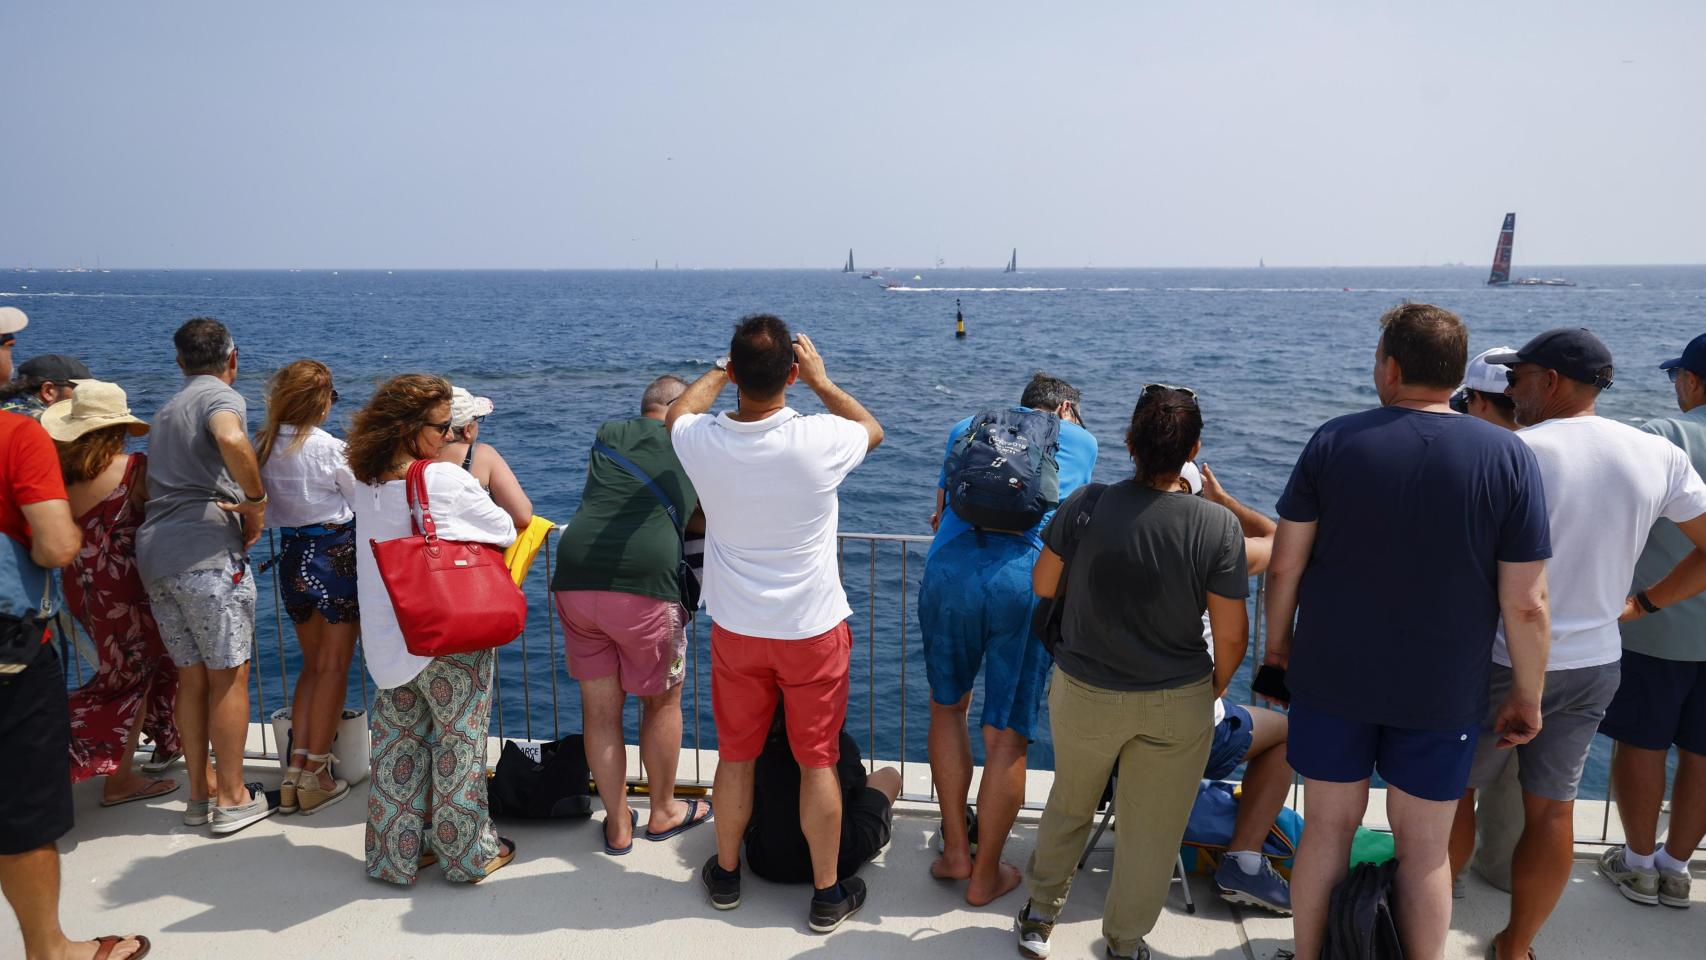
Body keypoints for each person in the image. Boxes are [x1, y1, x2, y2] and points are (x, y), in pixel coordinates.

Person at [1266, 304, 1552, 960]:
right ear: (1455, 374)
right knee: (1424, 851)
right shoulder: (1507, 457)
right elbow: (1528, 604)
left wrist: (1278, 650)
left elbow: (1284, 565)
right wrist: (1527, 695)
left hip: (1332, 677)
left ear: (1391, 367)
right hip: (1441, 689)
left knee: (1327, 833)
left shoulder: (1333, 441)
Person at [1451, 329, 1706, 957]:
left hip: (1500, 660)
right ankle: (1517, 946)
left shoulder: (1510, 453)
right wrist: (1642, 604)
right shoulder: (1654, 453)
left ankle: (1429, 921)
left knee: (1451, 794)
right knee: (1554, 812)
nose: (1512, 390)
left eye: (1519, 377)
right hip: (1595, 662)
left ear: (1552, 381)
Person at [667, 315, 883, 934]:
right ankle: (825, 893)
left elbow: (678, 411)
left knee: (736, 757)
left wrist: (718, 370)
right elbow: (873, 429)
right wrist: (821, 380)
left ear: (733, 372)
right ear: (791, 371)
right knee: (817, 761)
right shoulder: (819, 439)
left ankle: (728, 874)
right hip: (811, 629)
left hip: (737, 628)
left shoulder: (704, 442)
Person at [1018, 384, 1249, 960]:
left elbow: (1044, 585)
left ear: (1129, 444)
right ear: (1193, 450)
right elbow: (1232, 635)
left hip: (1086, 691)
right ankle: (1124, 942)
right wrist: (1214, 686)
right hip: (1178, 699)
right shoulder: (1216, 529)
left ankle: (1040, 917)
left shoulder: (1087, 505)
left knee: (1070, 802)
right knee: (1152, 829)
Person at [0, 306, 150, 960]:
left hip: (73, 607)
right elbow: (59, 544)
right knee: (23, 807)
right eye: (5, 342)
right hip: (14, 642)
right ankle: (50, 949)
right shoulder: (17, 437)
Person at [919, 372, 1098, 906]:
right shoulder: (1080, 441)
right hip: (1024, 580)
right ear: (1066, 409)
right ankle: (985, 875)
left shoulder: (966, 427)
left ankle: (955, 853)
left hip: (949, 572)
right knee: (1006, 737)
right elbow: (1077, 521)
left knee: (947, 711)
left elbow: (938, 513)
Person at [347, 374, 518, 885]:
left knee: (397, 747)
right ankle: (468, 856)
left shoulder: (366, 479)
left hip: (387, 637)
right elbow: (505, 527)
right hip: (445, 636)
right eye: (442, 427)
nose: (450, 437)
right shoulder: (442, 479)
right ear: (408, 427)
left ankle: (393, 856)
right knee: (458, 745)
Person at [551, 374, 712, 854]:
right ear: (680, 408)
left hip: (575, 577)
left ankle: (618, 823)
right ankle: (663, 811)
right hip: (643, 588)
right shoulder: (688, 444)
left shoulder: (609, 433)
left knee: (600, 713)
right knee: (660, 703)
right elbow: (700, 515)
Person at [136, 317, 276, 836]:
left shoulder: (167, 408)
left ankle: (201, 794)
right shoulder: (222, 397)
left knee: (191, 679)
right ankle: (235, 798)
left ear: (179, 362)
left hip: (157, 557)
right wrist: (256, 503)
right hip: (207, 555)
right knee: (229, 676)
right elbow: (231, 436)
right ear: (232, 358)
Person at [1593, 332, 1706, 910]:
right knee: (1704, 755)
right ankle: (1678, 868)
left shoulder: (1669, 436)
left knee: (1641, 743)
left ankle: (1639, 866)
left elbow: (1595, 442)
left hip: (1656, 624)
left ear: (1691, 382)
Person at [44, 381, 183, 804]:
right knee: (132, 679)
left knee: (124, 669)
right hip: (128, 589)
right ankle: (118, 780)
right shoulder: (134, 470)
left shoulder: (57, 477)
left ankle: (161, 743)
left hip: (82, 587)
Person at [1183, 462, 1294, 916]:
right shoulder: (1213, 548)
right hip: (1187, 730)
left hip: (1110, 732)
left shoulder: (1108, 533)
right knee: (1291, 732)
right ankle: (1244, 863)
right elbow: (1282, 542)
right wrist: (1224, 502)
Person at [256, 359, 360, 816]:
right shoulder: (331, 449)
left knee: (311, 666)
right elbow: (362, 503)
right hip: (335, 558)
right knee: (334, 667)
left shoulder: (261, 447)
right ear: (321, 402)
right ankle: (316, 775)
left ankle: (295, 771)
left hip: (292, 558)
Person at [745, 704, 901, 885]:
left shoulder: (760, 749)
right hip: (840, 862)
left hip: (765, 860)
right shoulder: (841, 745)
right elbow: (858, 787)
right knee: (890, 776)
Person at [437, 386, 532, 530]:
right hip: (471, 550)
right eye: (477, 419)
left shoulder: (411, 455)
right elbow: (523, 516)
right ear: (467, 429)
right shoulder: (482, 455)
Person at [0, 353, 89, 418]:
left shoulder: (7, 407)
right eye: (80, 389)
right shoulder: (37, 424)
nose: (87, 396)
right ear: (48, 391)